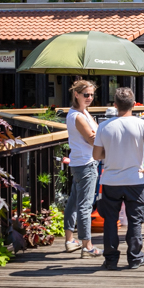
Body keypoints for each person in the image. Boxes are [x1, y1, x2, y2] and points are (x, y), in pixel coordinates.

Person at [91, 87, 144, 270]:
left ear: (115, 106)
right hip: (135, 180)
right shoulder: (142, 124)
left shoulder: (104, 126)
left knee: (110, 221)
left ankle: (111, 259)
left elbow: (97, 155)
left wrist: (112, 150)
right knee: (135, 220)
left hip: (111, 180)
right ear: (133, 105)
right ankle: (135, 257)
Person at [63, 79, 99, 256]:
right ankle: (87, 245)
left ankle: (70, 240)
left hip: (79, 162)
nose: (90, 98)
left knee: (73, 201)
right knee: (85, 205)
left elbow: (95, 133)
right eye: (86, 95)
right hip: (86, 164)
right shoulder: (78, 116)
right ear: (76, 94)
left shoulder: (82, 112)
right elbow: (92, 138)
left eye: (92, 94)